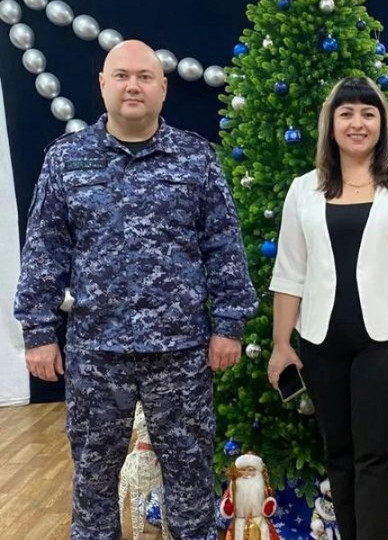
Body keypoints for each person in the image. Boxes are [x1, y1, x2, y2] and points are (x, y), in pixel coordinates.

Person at [14, 40, 258, 539]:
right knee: (93, 477)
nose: (133, 86)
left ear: (162, 88)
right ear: (102, 84)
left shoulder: (195, 158)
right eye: (122, 76)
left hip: (181, 351)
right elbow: (44, 250)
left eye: (145, 77)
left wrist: (229, 325)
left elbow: (223, 246)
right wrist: (38, 332)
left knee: (191, 476)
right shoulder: (67, 160)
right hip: (96, 351)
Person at [267, 76, 388, 540]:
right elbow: (289, 273)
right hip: (320, 341)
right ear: (331, 124)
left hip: (387, 341)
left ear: (382, 123)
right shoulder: (303, 190)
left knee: (376, 455)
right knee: (339, 455)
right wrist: (281, 344)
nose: (357, 123)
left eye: (368, 113)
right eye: (346, 113)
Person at [220, 453, 280, 540]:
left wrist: (267, 507)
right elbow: (228, 503)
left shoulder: (262, 485)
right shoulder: (234, 485)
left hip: (259, 521)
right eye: (243, 470)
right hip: (239, 523)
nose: (246, 473)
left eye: (250, 470)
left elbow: (268, 496)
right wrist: (228, 507)